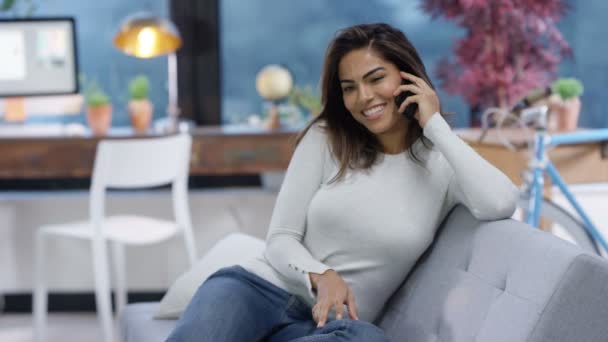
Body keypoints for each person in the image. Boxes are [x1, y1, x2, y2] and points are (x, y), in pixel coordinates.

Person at [166, 22, 517, 342]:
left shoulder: (442, 163)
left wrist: (434, 123)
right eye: (350, 88)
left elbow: (501, 202)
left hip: (335, 327)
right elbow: (281, 238)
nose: (364, 97)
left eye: (376, 78)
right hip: (257, 290)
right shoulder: (326, 138)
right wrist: (322, 274)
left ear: (409, 78)